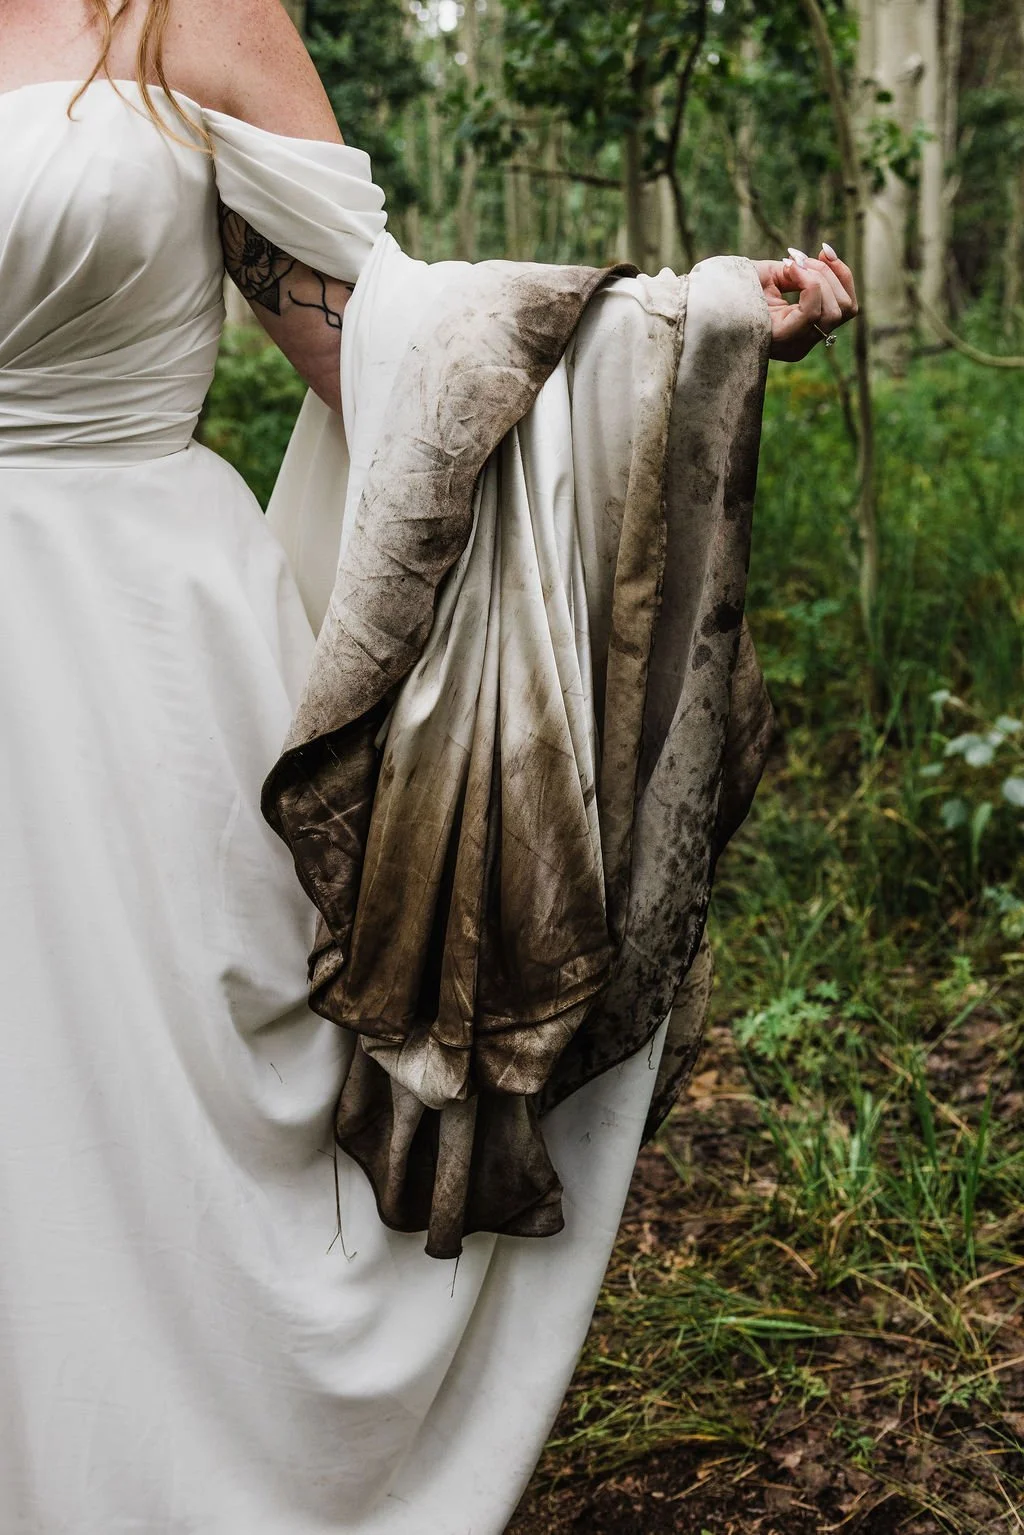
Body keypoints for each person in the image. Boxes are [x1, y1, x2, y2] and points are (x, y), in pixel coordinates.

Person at [0, 3, 859, 1531]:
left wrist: (686, 332)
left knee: (142, 1163)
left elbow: (387, 345)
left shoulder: (184, 17)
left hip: (134, 679)